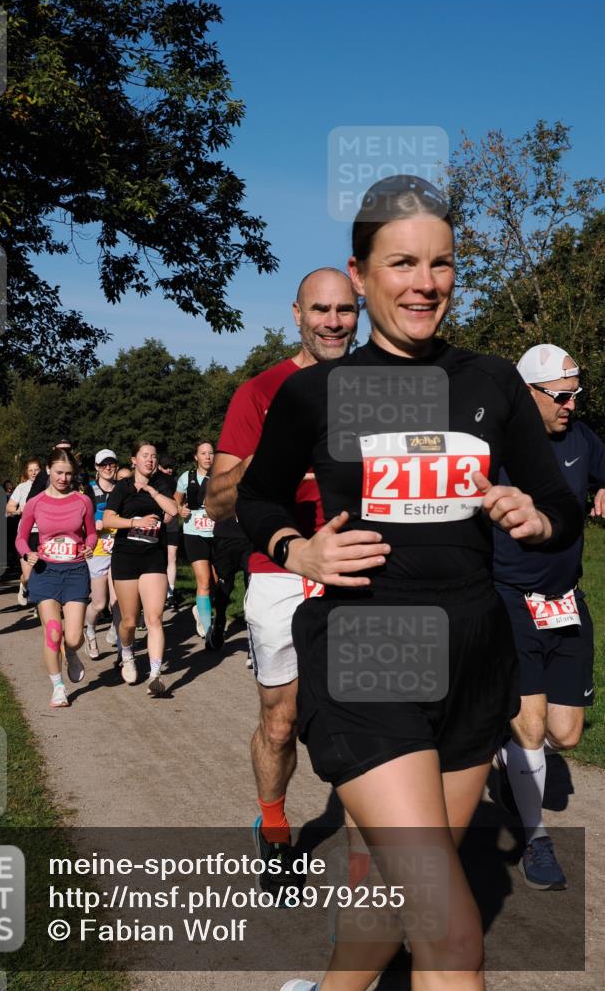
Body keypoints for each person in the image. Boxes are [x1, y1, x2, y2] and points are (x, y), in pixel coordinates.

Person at [235, 175, 582, 990]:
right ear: (360, 275)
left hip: (474, 651)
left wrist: (537, 519)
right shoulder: (314, 392)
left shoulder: (491, 382)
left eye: (441, 263)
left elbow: (563, 505)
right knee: (451, 934)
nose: (425, 283)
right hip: (367, 646)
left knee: (396, 901)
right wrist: (295, 549)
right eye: (402, 264)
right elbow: (256, 498)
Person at [205, 267, 358, 892]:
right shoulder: (260, 392)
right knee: (281, 719)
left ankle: (378, 857)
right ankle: (273, 824)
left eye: (344, 310)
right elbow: (216, 503)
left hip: (363, 567)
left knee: (376, 716)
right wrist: (272, 455)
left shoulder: (384, 385)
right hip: (281, 569)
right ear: (297, 314)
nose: (332, 322)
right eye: (319, 310)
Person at [493, 344, 604, 890]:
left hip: (565, 602)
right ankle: (536, 839)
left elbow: (601, 473)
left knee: (566, 734)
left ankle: (505, 745)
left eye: (575, 394)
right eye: (560, 396)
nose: (570, 405)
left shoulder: (583, 440)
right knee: (532, 727)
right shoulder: (496, 445)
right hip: (509, 598)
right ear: (528, 392)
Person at [15, 447, 96, 709]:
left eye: (68, 474)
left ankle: (71, 652)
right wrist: (28, 554)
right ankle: (58, 688)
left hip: (75, 572)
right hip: (45, 572)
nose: (63, 478)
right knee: (53, 632)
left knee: (73, 637)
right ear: (48, 470)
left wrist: (89, 546)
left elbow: (91, 533)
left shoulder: (82, 501)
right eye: (59, 472)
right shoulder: (35, 502)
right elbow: (21, 538)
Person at [102, 441, 179, 696]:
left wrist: (152, 492)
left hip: (153, 557)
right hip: (125, 558)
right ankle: (127, 655)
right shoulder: (122, 487)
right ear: (134, 460)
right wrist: (136, 522)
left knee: (154, 618)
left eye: (153, 456)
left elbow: (173, 510)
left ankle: (155, 676)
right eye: (145, 455)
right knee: (129, 621)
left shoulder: (161, 484)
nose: (150, 460)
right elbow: (108, 519)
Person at [176, 441, 216, 638]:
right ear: (196, 457)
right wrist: (180, 509)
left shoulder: (221, 476)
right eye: (203, 453)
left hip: (216, 534)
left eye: (211, 453)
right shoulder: (187, 477)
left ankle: (200, 610)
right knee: (204, 581)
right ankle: (208, 631)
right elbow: (176, 500)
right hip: (193, 533)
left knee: (217, 582)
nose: (208, 456)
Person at [82, 448, 119, 659]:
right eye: (104, 464)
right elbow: (79, 519)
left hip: (119, 550)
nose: (108, 468)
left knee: (118, 601)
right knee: (99, 603)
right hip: (97, 551)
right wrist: (91, 527)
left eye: (111, 463)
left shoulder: (122, 489)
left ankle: (119, 634)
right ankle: (90, 631)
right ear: (97, 467)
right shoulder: (88, 490)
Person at [6, 458, 43, 606]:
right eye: (31, 470)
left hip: (43, 533)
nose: (34, 473)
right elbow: (9, 507)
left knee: (42, 572)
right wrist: (18, 511)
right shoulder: (22, 488)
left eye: (36, 470)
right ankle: (23, 584)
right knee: (28, 576)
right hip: (26, 534)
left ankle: (38, 605)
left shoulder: (48, 486)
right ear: (27, 473)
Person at [158, 453, 181, 608]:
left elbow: (180, 501)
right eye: (165, 467)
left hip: (172, 523)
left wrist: (174, 511)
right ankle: (158, 591)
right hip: (155, 523)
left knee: (171, 556)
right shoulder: (153, 480)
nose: (169, 470)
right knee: (158, 558)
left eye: (171, 467)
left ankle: (170, 593)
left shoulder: (176, 482)